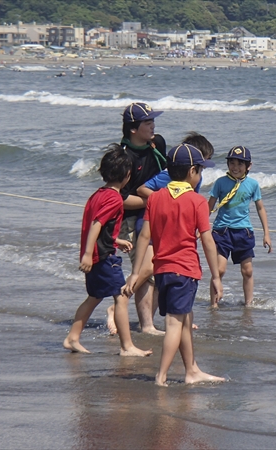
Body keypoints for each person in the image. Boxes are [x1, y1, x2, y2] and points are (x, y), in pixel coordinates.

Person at [125, 143, 225, 386]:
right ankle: (161, 376)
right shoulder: (197, 201)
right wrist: (216, 276)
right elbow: (208, 241)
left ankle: (192, 370)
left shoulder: (155, 198)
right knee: (174, 324)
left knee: (185, 319)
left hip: (162, 270)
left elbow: (145, 238)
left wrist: (136, 272)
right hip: (185, 271)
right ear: (192, 171)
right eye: (200, 171)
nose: (200, 176)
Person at [106, 132, 214, 335]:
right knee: (147, 270)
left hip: (167, 230)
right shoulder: (169, 175)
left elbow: (190, 203)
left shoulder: (195, 179)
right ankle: (118, 304)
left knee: (157, 274)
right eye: (203, 161)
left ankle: (175, 317)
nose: (204, 166)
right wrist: (165, 201)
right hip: (149, 225)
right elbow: (142, 189)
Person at [63, 144, 153, 357]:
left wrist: (116, 240)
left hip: (97, 253)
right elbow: (96, 223)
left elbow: (100, 226)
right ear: (127, 175)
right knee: (121, 297)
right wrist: (88, 254)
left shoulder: (98, 194)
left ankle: (72, 337)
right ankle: (127, 346)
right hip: (103, 258)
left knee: (94, 297)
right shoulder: (114, 198)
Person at [117, 102, 167, 335]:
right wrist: (154, 200)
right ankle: (132, 315)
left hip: (158, 217)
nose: (153, 126)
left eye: (153, 121)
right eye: (147, 122)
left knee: (157, 271)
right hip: (132, 220)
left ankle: (145, 320)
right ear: (133, 129)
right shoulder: (124, 157)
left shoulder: (158, 146)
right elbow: (120, 198)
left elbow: (169, 176)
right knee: (146, 271)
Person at [207, 146, 272, 308]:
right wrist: (198, 228)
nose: (235, 168)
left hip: (244, 232)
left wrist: (266, 233)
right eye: (232, 163)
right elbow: (209, 206)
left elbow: (260, 208)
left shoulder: (253, 184)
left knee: (247, 271)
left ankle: (248, 304)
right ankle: (213, 305)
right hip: (222, 231)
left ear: (248, 166)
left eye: (240, 164)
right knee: (220, 270)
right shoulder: (220, 183)